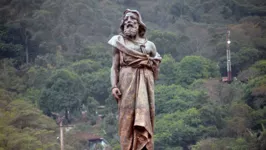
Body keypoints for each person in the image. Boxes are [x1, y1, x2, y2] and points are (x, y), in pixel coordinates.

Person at [108, 9, 161, 150]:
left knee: (144, 116)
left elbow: (156, 67)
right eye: (126, 19)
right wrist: (114, 86)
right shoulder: (118, 42)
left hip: (145, 85)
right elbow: (114, 67)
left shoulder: (150, 45)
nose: (129, 21)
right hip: (126, 84)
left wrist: (149, 65)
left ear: (139, 24)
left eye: (132, 19)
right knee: (126, 120)